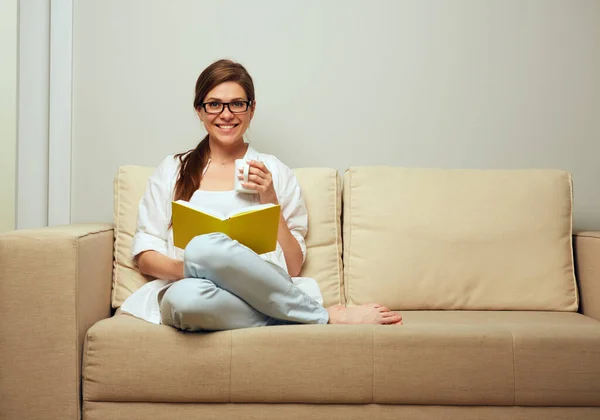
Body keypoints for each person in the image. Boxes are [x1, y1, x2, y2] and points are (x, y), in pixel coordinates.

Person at [119, 59, 403, 331]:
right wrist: (198, 267)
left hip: (261, 289)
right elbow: (145, 256)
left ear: (251, 109)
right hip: (194, 289)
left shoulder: (274, 171)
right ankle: (317, 316)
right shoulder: (173, 170)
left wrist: (270, 200)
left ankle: (300, 313)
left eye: (237, 104)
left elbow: (292, 266)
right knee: (187, 291)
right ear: (200, 111)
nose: (226, 114)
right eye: (214, 104)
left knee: (204, 249)